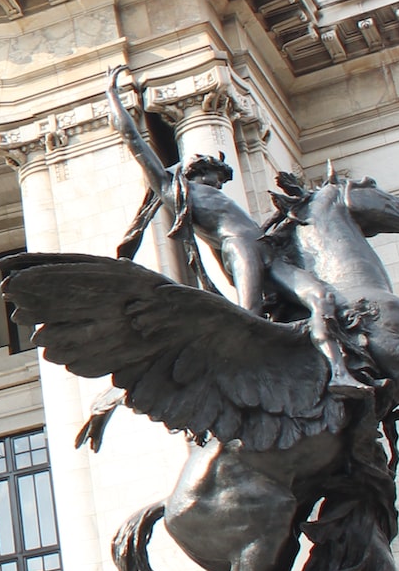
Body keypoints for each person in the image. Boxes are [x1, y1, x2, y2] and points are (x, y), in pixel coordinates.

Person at [107, 65, 365, 395]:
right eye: (218, 175)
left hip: (266, 249)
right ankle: (248, 387)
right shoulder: (176, 191)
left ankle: (340, 374)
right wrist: (113, 97)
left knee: (321, 297)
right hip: (240, 248)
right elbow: (134, 141)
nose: (221, 182)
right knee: (250, 318)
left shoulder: (213, 195)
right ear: (201, 171)